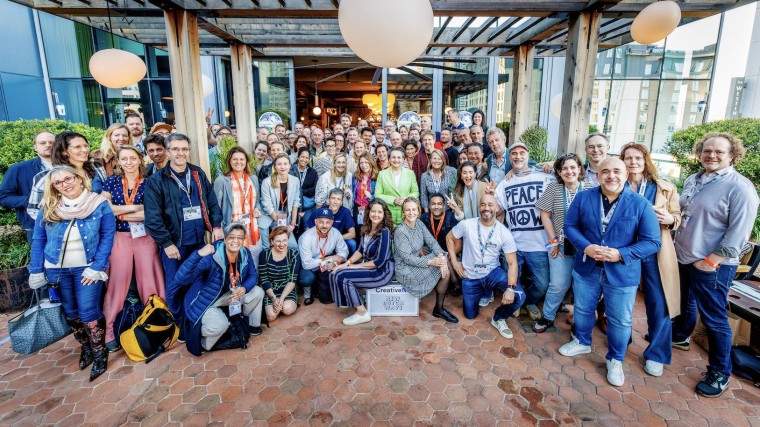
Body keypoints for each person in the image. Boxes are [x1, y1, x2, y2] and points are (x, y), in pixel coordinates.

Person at [560, 157, 661, 388]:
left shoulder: (640, 203)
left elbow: (653, 242)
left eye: (617, 171)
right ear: (597, 175)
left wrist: (621, 254)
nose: (611, 176)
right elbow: (570, 227)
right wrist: (586, 246)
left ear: (626, 174)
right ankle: (582, 340)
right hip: (587, 267)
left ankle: (616, 359)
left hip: (621, 272)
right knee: (584, 309)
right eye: (605, 171)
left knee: (620, 320)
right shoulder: (584, 197)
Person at [671, 133, 759, 397]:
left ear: (732, 155)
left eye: (719, 152)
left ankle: (720, 371)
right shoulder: (693, 179)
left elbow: (739, 233)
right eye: (707, 150)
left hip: (713, 264)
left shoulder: (740, 187)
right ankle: (681, 336)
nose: (712, 155)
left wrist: (711, 260)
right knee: (686, 301)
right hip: (685, 255)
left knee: (714, 318)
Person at [28, 166, 116, 381]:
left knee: (88, 312)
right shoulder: (49, 206)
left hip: (87, 269)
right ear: (53, 187)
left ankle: (99, 353)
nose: (65, 184)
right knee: (71, 313)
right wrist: (36, 269)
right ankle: (85, 347)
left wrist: (97, 267)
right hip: (57, 270)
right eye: (58, 182)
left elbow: (107, 236)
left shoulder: (98, 204)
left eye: (68, 178)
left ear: (78, 178)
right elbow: (39, 240)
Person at [144, 133, 224, 325]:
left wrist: (216, 225)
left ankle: (192, 318)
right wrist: (166, 243)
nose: (181, 153)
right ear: (168, 152)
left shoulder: (197, 173)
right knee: (174, 284)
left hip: (198, 240)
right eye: (176, 149)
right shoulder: (157, 180)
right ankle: (179, 323)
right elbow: (153, 217)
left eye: (184, 149)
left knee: (197, 280)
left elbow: (211, 201)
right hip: (174, 243)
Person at [619, 142, 682, 377]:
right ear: (622, 161)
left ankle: (656, 354)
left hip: (654, 253)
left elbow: (677, 217)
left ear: (646, 161)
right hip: (625, 251)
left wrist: (670, 218)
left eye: (638, 158)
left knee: (659, 303)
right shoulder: (617, 184)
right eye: (628, 158)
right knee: (622, 298)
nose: (633, 162)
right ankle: (621, 341)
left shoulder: (664, 188)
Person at [101, 145, 165, 352]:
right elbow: (105, 210)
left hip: (145, 236)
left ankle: (157, 321)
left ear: (140, 160)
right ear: (118, 162)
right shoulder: (110, 182)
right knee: (117, 283)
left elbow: (153, 213)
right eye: (124, 159)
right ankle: (109, 329)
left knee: (151, 280)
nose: (128, 162)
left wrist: (119, 212)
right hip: (119, 237)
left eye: (132, 158)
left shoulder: (151, 182)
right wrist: (136, 208)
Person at [173, 222, 265, 356]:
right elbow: (180, 279)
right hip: (207, 301)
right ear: (225, 238)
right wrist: (198, 254)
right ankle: (204, 342)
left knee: (257, 292)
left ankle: (251, 326)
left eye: (240, 237)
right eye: (232, 237)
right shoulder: (212, 256)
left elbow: (253, 275)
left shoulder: (244, 253)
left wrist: (244, 288)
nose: (236, 241)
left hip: (229, 295)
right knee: (219, 325)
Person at [446, 194, 522, 338]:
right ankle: (485, 291)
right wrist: (455, 262)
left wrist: (511, 288)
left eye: (490, 205)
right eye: (483, 204)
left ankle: (498, 318)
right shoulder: (467, 224)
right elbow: (449, 237)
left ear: (497, 208)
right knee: (469, 315)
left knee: (519, 295)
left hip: (493, 273)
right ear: (479, 207)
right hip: (470, 277)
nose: (486, 208)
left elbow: (512, 263)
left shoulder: (504, 232)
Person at [494, 142, 554, 318]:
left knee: (543, 284)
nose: (518, 156)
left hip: (540, 244)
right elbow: (498, 209)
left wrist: (552, 163)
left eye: (521, 153)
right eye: (514, 153)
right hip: (514, 243)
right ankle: (519, 299)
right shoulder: (505, 182)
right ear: (509, 157)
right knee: (512, 278)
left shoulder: (544, 177)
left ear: (528, 155)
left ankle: (529, 301)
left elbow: (571, 172)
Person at [531, 154, 586, 333]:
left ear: (579, 169)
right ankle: (548, 316)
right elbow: (544, 215)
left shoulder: (590, 189)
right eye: (564, 168)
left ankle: (579, 322)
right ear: (559, 172)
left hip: (585, 247)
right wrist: (553, 241)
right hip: (561, 244)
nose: (569, 171)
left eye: (572, 167)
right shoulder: (554, 188)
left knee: (583, 286)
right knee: (558, 284)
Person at [330, 200, 395, 325]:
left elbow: (380, 261)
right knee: (336, 271)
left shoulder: (385, 232)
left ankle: (362, 313)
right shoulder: (366, 228)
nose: (376, 215)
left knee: (342, 275)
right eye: (373, 211)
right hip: (370, 268)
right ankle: (348, 301)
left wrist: (354, 267)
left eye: (379, 212)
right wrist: (347, 263)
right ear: (368, 212)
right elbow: (360, 250)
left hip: (381, 272)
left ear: (384, 214)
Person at [394, 197, 458, 323]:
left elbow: (432, 242)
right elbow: (407, 259)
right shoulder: (401, 231)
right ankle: (440, 308)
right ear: (403, 212)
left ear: (418, 211)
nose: (411, 213)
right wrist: (431, 262)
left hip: (417, 260)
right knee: (444, 272)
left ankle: (450, 292)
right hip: (405, 269)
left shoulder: (419, 223)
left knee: (442, 260)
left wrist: (441, 257)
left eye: (413, 210)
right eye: (407, 210)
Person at [28, 131, 107, 221]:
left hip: (99, 226)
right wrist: (59, 224)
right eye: (77, 147)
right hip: (66, 231)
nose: (85, 150)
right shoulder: (45, 177)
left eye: (85, 146)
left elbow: (106, 196)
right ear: (64, 151)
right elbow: (33, 210)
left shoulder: (96, 167)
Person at [213, 146, 264, 265]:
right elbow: (216, 207)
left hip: (252, 224)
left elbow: (257, 201)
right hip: (232, 226)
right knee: (236, 257)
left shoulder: (253, 179)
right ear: (229, 161)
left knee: (255, 253)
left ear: (246, 161)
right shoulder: (222, 180)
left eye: (242, 159)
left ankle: (252, 281)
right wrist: (218, 227)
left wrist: (257, 209)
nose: (238, 162)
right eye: (235, 159)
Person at [0, 131, 53, 243]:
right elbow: (3, 197)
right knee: (40, 259)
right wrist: (31, 200)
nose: (48, 145)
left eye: (51, 142)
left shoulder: (68, 166)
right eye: (43, 143)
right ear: (35, 147)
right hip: (35, 225)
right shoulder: (18, 169)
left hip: (67, 222)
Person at [298, 207, 349, 305]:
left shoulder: (336, 233)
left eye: (328, 222)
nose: (324, 226)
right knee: (306, 279)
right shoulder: (306, 238)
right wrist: (327, 260)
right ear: (316, 221)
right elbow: (307, 264)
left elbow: (344, 251)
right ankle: (308, 292)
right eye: (321, 222)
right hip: (310, 264)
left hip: (326, 260)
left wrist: (336, 260)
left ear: (332, 222)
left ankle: (326, 291)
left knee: (342, 265)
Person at [259, 226, 301, 322]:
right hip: (271, 289)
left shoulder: (294, 254)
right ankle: (277, 305)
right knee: (271, 316)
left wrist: (281, 299)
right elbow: (264, 279)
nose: (282, 244)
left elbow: (292, 280)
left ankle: (287, 303)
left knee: (287, 309)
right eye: (278, 241)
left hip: (287, 289)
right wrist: (274, 299)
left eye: (285, 240)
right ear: (272, 241)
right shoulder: (264, 254)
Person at [259, 153, 300, 250]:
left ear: (290, 166)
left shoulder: (295, 180)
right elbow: (267, 206)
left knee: (293, 247)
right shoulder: (267, 182)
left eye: (285, 164)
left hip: (285, 217)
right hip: (268, 216)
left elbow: (296, 202)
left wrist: (292, 223)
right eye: (279, 164)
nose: (282, 167)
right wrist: (281, 226)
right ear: (275, 166)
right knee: (266, 247)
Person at [374, 147, 420, 225]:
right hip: (388, 213)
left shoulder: (410, 173)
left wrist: (405, 200)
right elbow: (377, 195)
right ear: (389, 159)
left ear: (403, 159)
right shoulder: (382, 174)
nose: (396, 160)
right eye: (393, 157)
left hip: (405, 213)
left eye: (399, 157)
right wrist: (393, 200)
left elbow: (415, 192)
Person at [305, 189, 357, 253]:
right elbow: (308, 229)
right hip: (321, 241)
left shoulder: (345, 212)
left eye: (338, 199)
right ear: (328, 200)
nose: (335, 202)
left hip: (338, 241)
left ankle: (347, 262)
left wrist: (334, 239)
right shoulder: (319, 211)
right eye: (333, 198)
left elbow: (352, 234)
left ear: (341, 202)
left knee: (352, 243)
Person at [290, 147, 319, 224]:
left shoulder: (313, 172)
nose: (304, 159)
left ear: (309, 159)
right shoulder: (291, 170)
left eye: (307, 158)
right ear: (298, 157)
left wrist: (300, 192)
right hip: (292, 204)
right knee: (293, 226)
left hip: (307, 206)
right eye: (302, 157)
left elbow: (314, 189)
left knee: (308, 225)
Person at [351, 152, 377, 238]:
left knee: (369, 232)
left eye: (366, 162)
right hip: (357, 207)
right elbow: (353, 190)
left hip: (370, 208)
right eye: (361, 163)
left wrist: (371, 196)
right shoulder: (355, 176)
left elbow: (380, 195)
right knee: (358, 231)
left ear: (371, 162)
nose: (364, 165)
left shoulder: (376, 177)